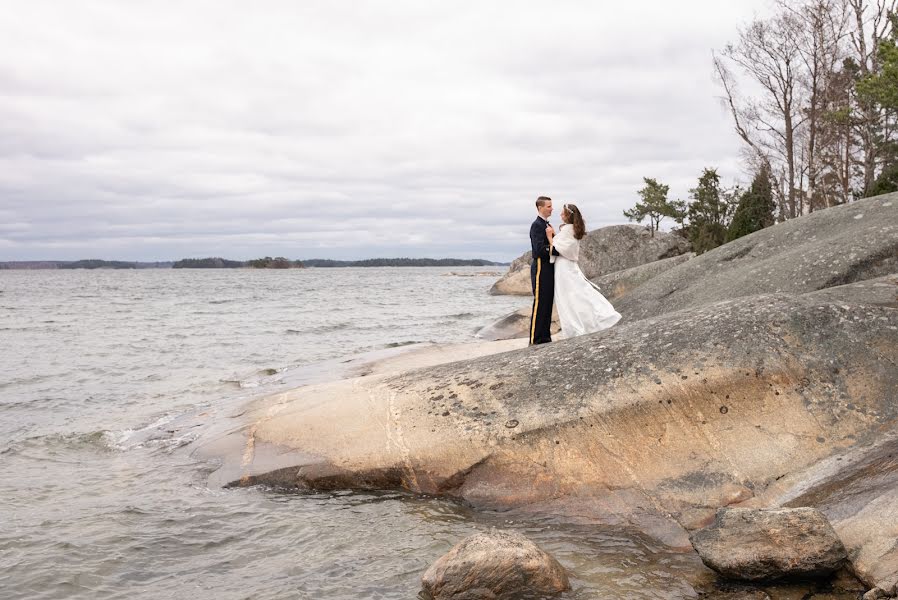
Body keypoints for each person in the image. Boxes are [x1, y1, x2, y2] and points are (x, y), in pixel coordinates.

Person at [547, 203, 621, 338]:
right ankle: (584, 323)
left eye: (562, 213)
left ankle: (577, 327)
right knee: (576, 293)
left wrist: (550, 237)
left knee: (569, 296)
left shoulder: (568, 230)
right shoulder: (571, 229)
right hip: (566, 266)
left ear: (568, 215)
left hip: (564, 267)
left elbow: (558, 249)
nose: (560, 215)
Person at [529, 196, 559, 345]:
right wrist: (555, 250)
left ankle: (545, 337)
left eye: (551, 206)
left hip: (549, 267)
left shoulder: (547, 225)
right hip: (541, 266)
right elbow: (539, 250)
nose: (551, 208)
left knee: (547, 303)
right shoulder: (537, 225)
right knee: (540, 303)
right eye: (549, 206)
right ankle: (535, 339)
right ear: (540, 208)